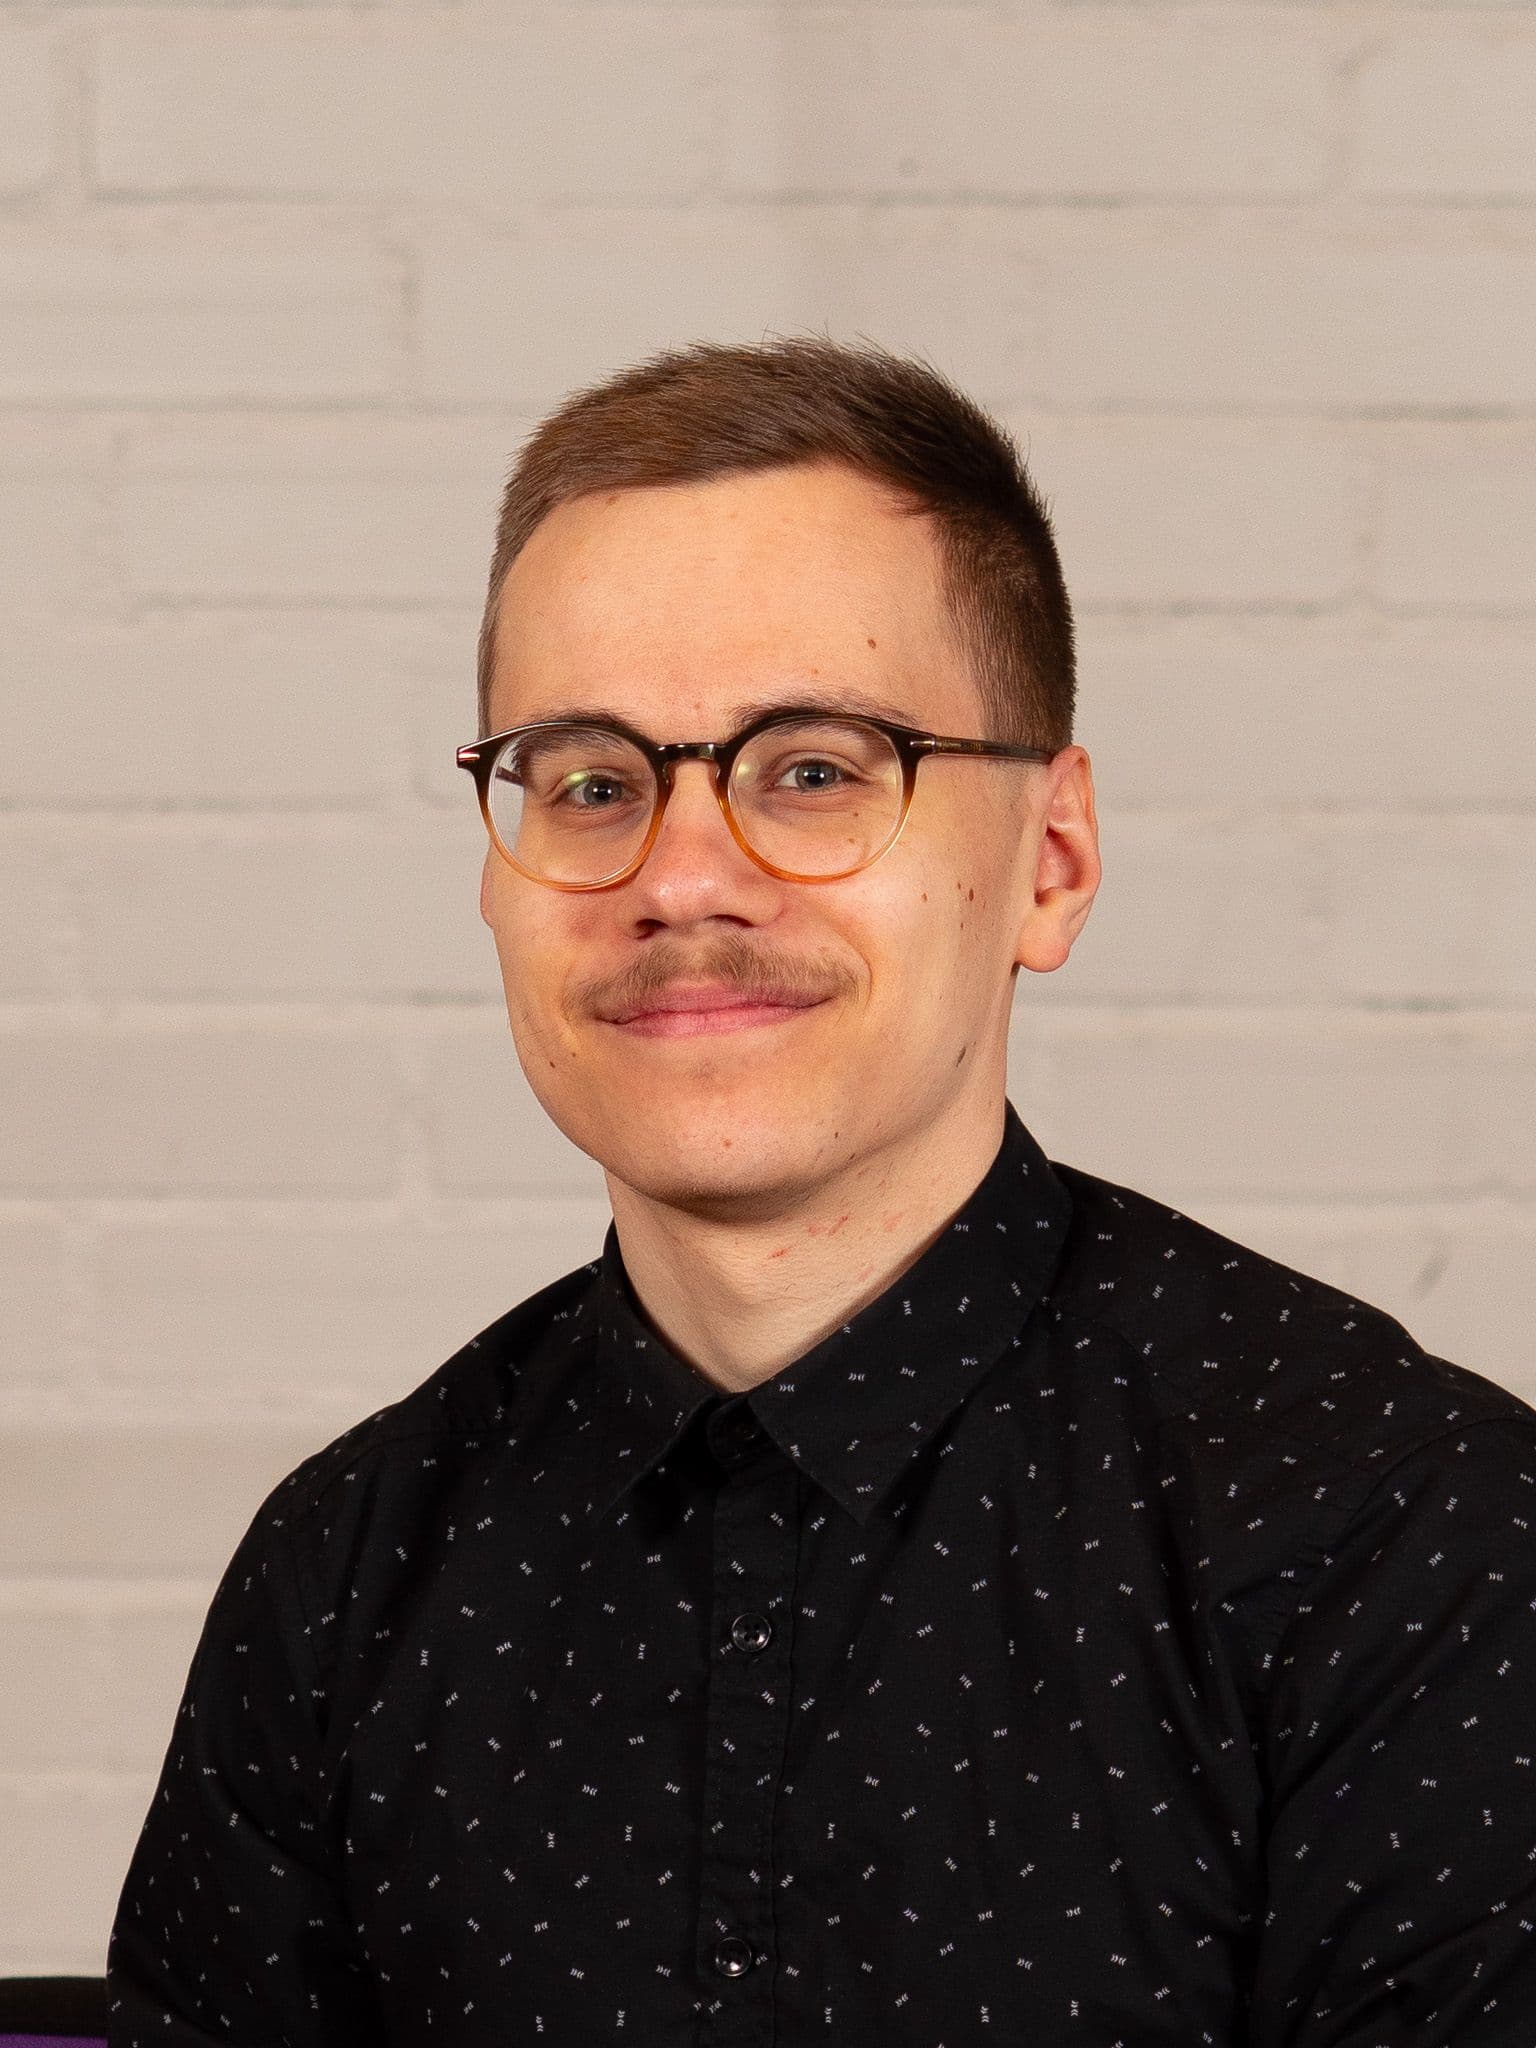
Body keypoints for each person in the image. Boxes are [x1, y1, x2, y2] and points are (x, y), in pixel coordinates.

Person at [107, 336, 1536, 2047]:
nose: (681, 877)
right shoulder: (345, 1578)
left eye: (813, 768)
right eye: (591, 782)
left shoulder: (1412, 1538)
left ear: (1051, 864)